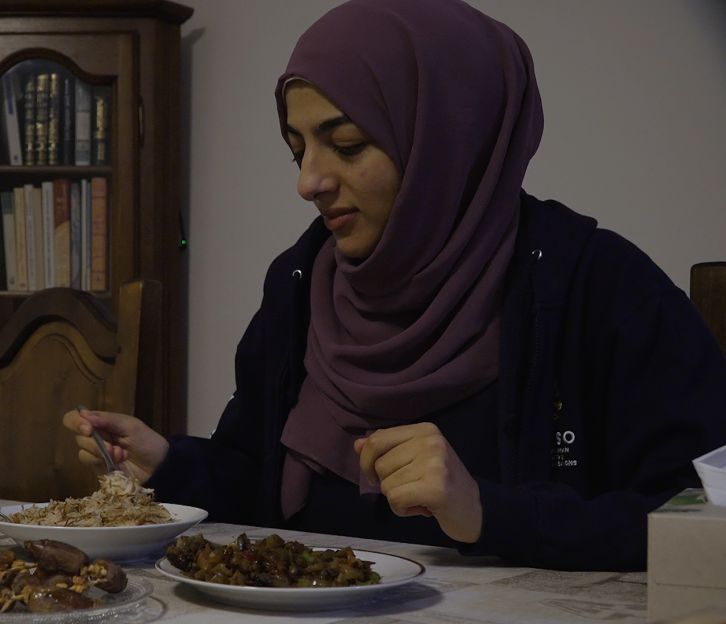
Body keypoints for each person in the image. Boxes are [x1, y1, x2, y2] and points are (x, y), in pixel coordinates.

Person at [62, 0, 726, 571]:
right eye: (299, 150)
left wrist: (486, 513)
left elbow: (702, 524)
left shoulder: (600, 290)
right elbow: (253, 481)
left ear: (448, 140)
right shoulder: (303, 284)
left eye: (346, 144)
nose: (309, 181)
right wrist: (168, 465)